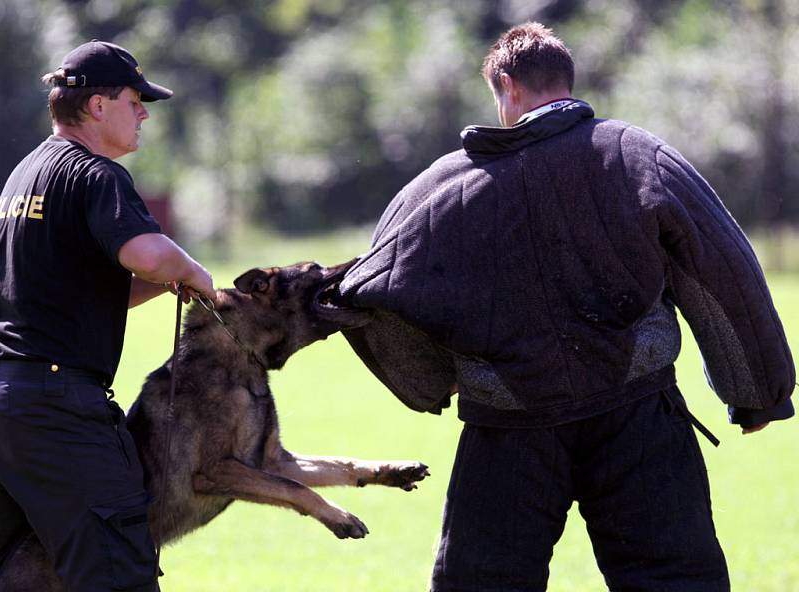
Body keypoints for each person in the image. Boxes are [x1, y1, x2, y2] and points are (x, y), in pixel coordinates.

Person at [338, 22, 796, 592]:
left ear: (506, 87)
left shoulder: (436, 191)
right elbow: (720, 265)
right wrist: (756, 393)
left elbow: (373, 295)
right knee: (675, 581)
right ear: (566, 82)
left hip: (508, 429)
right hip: (639, 415)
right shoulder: (634, 154)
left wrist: (435, 380)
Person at [0, 40, 214, 591]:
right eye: (135, 100)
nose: (143, 112)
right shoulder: (96, 175)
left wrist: (163, 288)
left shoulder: (24, 177)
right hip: (58, 410)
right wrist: (192, 273)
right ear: (98, 106)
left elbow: (73, 291)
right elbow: (148, 252)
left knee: (17, 574)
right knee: (116, 570)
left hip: (10, 403)